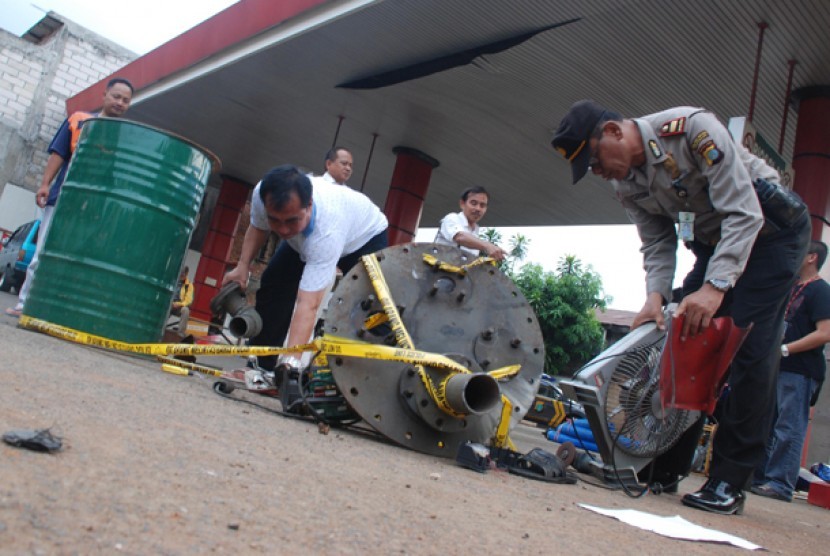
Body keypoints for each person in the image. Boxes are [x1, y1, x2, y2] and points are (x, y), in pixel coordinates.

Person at [552, 99, 810, 515]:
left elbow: (745, 214)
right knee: (683, 337)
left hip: (772, 231)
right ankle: (666, 467)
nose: (598, 173)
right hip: (715, 243)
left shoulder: (690, 130)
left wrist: (715, 287)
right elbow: (657, 242)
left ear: (615, 132)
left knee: (746, 343)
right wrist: (655, 296)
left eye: (595, 160)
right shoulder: (625, 183)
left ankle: (729, 481)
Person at [222, 164, 388, 372]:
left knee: (370, 310)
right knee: (273, 285)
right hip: (306, 238)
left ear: (309, 205)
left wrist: (291, 363)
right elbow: (258, 227)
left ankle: (367, 379)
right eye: (276, 220)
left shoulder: (326, 232)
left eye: (291, 221)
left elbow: (308, 303)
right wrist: (242, 266)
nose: (282, 230)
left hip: (364, 237)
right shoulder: (262, 193)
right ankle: (261, 368)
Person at [6, 77, 134, 317]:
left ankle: (59, 309)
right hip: (62, 199)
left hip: (93, 207)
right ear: (104, 96)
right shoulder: (79, 120)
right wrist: (45, 184)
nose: (120, 103)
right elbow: (59, 153)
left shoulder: (125, 135)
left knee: (76, 258)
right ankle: (26, 304)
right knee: (42, 253)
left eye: (126, 100)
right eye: (116, 97)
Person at [752, 240, 830, 502]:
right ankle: (761, 476)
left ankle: (781, 482)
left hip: (800, 369)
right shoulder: (792, 288)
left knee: (789, 426)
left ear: (811, 257)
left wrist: (786, 349)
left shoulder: (820, 291)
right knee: (767, 424)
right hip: (777, 366)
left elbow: (825, 333)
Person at [433, 186, 506, 261]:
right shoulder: (452, 218)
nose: (478, 209)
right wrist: (487, 246)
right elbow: (459, 237)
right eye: (473, 203)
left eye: (482, 205)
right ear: (462, 204)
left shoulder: (475, 230)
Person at [169, 266, 194, 335]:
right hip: (169, 304)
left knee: (186, 310)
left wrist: (178, 304)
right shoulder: (172, 280)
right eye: (181, 273)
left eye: (184, 274)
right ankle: (160, 326)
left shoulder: (189, 285)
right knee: (165, 307)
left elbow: (188, 300)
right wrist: (171, 303)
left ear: (186, 274)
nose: (182, 275)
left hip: (179, 307)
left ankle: (180, 332)